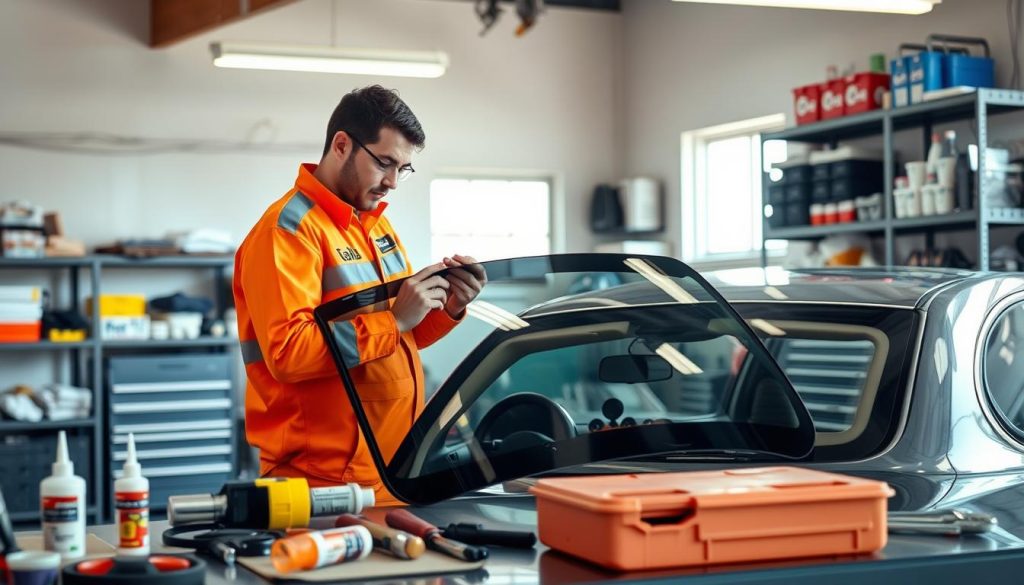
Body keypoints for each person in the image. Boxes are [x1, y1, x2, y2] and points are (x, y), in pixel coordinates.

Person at [232, 85, 485, 503]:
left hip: (389, 469)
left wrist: (449, 306)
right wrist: (395, 320)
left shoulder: (375, 226)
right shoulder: (288, 231)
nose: (392, 183)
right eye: (384, 163)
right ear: (342, 144)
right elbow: (289, 353)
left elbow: (401, 339)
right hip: (320, 479)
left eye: (403, 169)